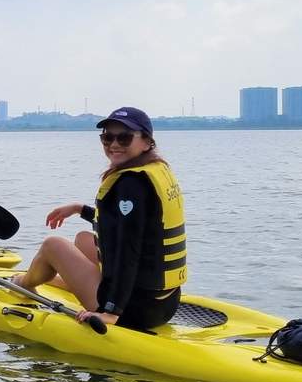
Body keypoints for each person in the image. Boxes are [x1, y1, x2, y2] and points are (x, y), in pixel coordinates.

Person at [12, 107, 186, 330]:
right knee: (83, 239)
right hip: (166, 304)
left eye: (124, 138)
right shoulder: (154, 170)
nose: (114, 144)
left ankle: (22, 284)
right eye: (107, 137)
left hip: (135, 311)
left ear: (146, 141)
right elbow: (127, 223)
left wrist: (111, 312)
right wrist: (79, 209)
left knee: (53, 245)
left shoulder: (130, 185)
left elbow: (127, 251)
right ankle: (61, 280)